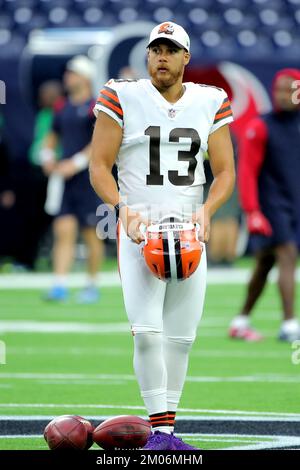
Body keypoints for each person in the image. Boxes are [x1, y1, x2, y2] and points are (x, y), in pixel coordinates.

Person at [90, 22, 235, 450]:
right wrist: (123, 209)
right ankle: (160, 433)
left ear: (186, 57)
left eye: (171, 50)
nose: (162, 57)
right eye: (156, 49)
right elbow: (99, 165)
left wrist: (208, 211)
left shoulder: (210, 100)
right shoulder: (122, 94)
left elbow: (225, 171)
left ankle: (167, 432)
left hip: (190, 228)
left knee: (181, 338)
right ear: (147, 55)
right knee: (148, 331)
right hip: (141, 230)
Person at [229, 68, 300, 342]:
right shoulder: (261, 126)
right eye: (279, 90)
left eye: (289, 89)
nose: (282, 95)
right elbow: (246, 171)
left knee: (264, 264)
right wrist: (252, 211)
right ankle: (290, 324)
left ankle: (241, 320)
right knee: (287, 253)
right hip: (270, 204)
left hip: (293, 203)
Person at [41, 55, 104, 303]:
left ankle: (91, 284)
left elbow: (98, 143)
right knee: (63, 231)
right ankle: (59, 284)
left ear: (85, 77)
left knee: (91, 234)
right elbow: (52, 137)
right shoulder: (62, 107)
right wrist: (47, 156)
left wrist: (75, 164)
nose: (68, 77)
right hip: (66, 181)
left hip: (90, 180)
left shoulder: (95, 108)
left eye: (73, 73)